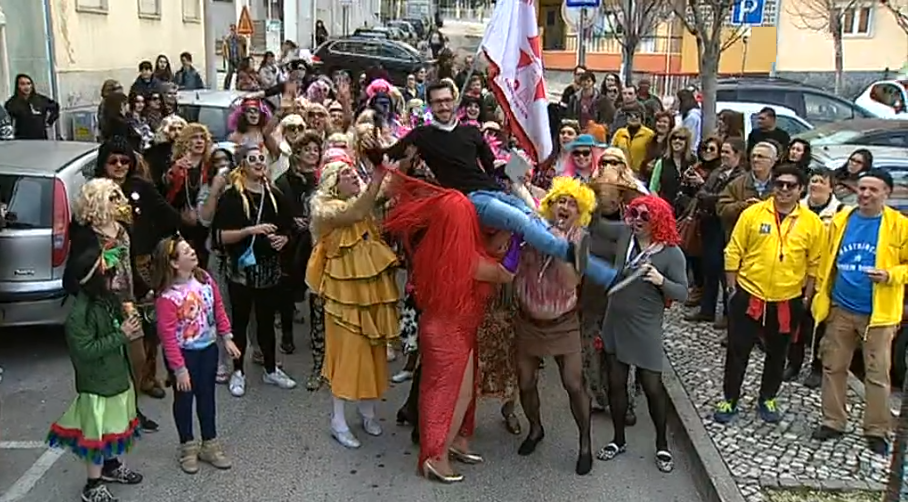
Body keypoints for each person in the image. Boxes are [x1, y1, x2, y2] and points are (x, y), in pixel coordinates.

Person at [369, 81, 618, 290]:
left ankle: (605, 274)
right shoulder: (421, 135)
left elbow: (492, 169)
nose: (443, 106)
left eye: (447, 100)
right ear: (430, 105)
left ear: (454, 100)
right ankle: (593, 267)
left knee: (538, 220)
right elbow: (385, 156)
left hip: (496, 191)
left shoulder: (472, 133)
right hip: (473, 200)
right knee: (524, 226)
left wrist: (518, 169)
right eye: (437, 102)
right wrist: (368, 143)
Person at [50, 179, 145, 502]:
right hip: (100, 312)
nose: (119, 200)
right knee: (99, 417)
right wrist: (103, 304)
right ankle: (94, 482)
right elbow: (79, 276)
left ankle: (112, 464)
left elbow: (126, 271)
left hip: (116, 305)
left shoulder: (122, 231)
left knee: (128, 383)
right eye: (112, 196)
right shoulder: (86, 240)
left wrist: (129, 302)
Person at [714, 165, 825, 424]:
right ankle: (730, 399)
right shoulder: (753, 213)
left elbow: (815, 263)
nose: (784, 189)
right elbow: (734, 251)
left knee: (777, 353)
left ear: (800, 190)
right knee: (737, 350)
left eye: (790, 185)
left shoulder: (811, 223)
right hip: (749, 293)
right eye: (779, 184)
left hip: (786, 300)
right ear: (773, 186)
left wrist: (806, 298)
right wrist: (732, 288)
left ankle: (768, 397)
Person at [811, 169, 908, 455]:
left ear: (886, 194)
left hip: (877, 314)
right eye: (862, 189)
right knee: (833, 366)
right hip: (842, 307)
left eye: (872, 190)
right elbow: (827, 257)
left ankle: (877, 430)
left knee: (877, 374)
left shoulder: (899, 226)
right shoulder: (843, 219)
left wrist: (890, 274)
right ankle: (833, 420)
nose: (865, 194)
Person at [305, 160, 400, 449]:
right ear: (333, 182)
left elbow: (387, 189)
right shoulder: (326, 209)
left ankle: (367, 411)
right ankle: (338, 421)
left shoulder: (361, 200)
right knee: (346, 355)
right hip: (341, 297)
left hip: (370, 292)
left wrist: (400, 163)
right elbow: (356, 210)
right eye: (346, 174)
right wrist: (377, 179)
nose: (353, 177)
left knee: (373, 350)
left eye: (354, 172)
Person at [596, 195, 687, 473]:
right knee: (615, 383)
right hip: (614, 321)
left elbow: (683, 292)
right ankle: (618, 439)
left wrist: (661, 281)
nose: (636, 220)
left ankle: (661, 444)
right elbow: (596, 224)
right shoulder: (626, 236)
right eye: (634, 213)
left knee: (652, 388)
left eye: (644, 216)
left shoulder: (671, 253)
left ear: (658, 221)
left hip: (645, 326)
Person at [513, 177, 597, 476]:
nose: (565, 206)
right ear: (551, 204)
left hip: (563, 323)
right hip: (528, 321)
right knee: (525, 382)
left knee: (574, 384)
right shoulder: (531, 226)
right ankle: (535, 430)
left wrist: (558, 243)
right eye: (560, 200)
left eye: (572, 203)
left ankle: (585, 444)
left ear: (581, 211)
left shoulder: (581, 238)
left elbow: (572, 281)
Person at [212, 142, 298, 397]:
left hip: (269, 270)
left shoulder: (274, 194)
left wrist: (284, 239)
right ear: (242, 164)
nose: (259, 163)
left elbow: (289, 226)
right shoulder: (232, 197)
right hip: (241, 270)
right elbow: (219, 236)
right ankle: (237, 371)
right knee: (239, 323)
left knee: (266, 322)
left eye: (262, 158)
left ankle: (271, 369)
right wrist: (250, 231)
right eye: (253, 159)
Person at [153, 236, 241, 474]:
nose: (192, 252)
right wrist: (179, 370)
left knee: (207, 397)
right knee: (184, 400)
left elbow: (218, 309)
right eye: (185, 251)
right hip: (183, 355)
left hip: (208, 350)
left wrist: (227, 336)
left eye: (191, 248)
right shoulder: (167, 297)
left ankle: (210, 445)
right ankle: (188, 447)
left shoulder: (204, 279)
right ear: (173, 263)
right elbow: (168, 337)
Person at [782, 167, 844, 384]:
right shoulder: (797, 209)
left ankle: (817, 368)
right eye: (814, 180)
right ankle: (794, 363)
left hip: (825, 278)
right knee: (795, 323)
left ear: (831, 186)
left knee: (820, 325)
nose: (816, 184)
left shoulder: (841, 212)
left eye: (821, 181)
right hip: (797, 275)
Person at [4, 74, 59, 139]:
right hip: (22, 140)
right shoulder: (12, 103)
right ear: (18, 86)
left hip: (41, 139)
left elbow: (55, 107)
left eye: (28, 83)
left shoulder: (40, 100)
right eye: (22, 84)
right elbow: (6, 122)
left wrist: (49, 121)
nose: (26, 87)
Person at [222, 24, 249, 90]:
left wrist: (244, 57)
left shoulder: (240, 39)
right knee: (229, 74)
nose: (233, 31)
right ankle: (226, 88)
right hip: (231, 59)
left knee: (239, 74)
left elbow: (245, 47)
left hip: (239, 59)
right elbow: (224, 49)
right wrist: (226, 57)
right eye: (231, 30)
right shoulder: (227, 40)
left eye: (234, 30)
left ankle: (238, 87)